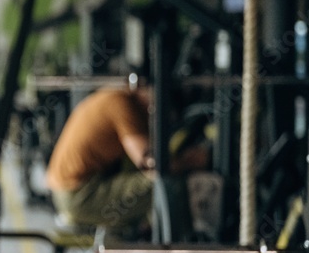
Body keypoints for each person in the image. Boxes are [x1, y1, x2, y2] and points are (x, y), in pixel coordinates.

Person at [45, 82, 207, 233]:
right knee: (163, 184)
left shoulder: (113, 95)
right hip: (79, 196)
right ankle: (186, 246)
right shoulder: (121, 104)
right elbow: (152, 165)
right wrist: (189, 161)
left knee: (152, 181)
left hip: (68, 190)